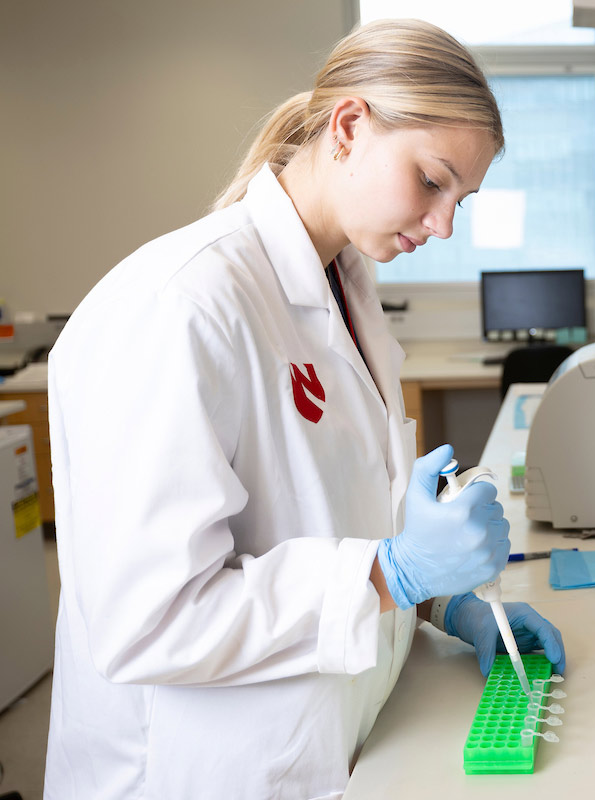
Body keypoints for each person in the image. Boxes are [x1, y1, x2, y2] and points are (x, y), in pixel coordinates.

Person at [44, 19, 565, 799]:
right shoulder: (180, 306)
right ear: (349, 127)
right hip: (197, 772)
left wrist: (441, 599)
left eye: (462, 197)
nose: (446, 223)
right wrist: (393, 573)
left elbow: (337, 515)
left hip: (344, 735)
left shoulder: (346, 285)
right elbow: (149, 621)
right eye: (432, 179)